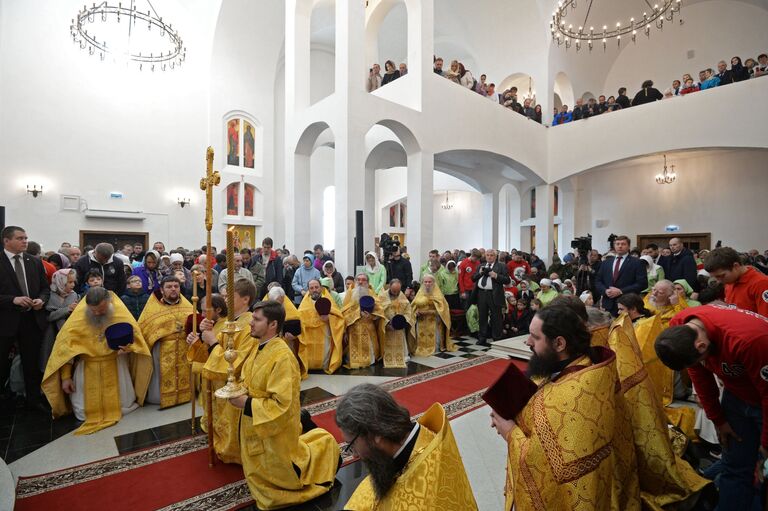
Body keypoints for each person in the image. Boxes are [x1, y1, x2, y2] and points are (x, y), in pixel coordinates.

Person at [490, 305, 640, 510]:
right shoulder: (584, 365)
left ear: (559, 343)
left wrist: (510, 432)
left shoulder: (574, 395)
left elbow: (547, 467)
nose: (527, 342)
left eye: (535, 337)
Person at [228, 301, 340, 509]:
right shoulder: (258, 347)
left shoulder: (282, 357)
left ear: (273, 325)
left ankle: (323, 452)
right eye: (252, 318)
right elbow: (249, 379)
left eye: (256, 319)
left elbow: (282, 405)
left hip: (275, 433)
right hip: (256, 425)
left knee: (279, 485)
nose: (250, 324)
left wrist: (245, 402)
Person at [656, 305, 768, 510]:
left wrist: (765, 444)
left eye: (701, 359)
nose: (704, 364)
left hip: (763, 397)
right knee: (735, 466)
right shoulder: (679, 329)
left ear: (700, 347)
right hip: (737, 395)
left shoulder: (748, 340)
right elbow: (699, 374)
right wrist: (718, 419)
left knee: (764, 473)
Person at [337, 384, 477, 510]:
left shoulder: (427, 491)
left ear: (375, 434)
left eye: (352, 445)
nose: (354, 455)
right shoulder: (406, 442)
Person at [42, 287, 152, 434]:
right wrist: (66, 377)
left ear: (109, 302)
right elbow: (66, 351)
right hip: (87, 367)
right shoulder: (78, 319)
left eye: (101, 310)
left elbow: (136, 340)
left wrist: (129, 348)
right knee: (84, 412)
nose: (97, 313)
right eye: (93, 310)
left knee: (122, 405)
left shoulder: (119, 312)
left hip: (116, 364)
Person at [188, 279, 255, 464]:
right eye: (224, 296)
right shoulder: (230, 323)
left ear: (245, 299)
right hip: (220, 386)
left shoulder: (249, 324)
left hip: (235, 386)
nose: (225, 301)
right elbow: (209, 355)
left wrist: (213, 342)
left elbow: (237, 363)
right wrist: (200, 340)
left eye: (229, 297)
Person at [0, 226, 50, 410]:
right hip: (6, 321)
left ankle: (33, 400)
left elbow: (45, 288)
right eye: (20, 238)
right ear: (6, 240)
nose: (25, 241)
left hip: (31, 319)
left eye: (26, 237)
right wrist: (13, 299)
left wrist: (41, 300)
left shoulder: (34, 262)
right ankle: (4, 397)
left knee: (31, 362)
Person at [138, 276, 194, 408]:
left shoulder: (188, 306)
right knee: (160, 376)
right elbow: (145, 330)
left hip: (183, 348)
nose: (173, 289)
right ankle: (160, 397)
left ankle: (185, 395)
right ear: (162, 290)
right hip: (162, 349)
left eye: (176, 286)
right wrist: (168, 329)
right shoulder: (153, 307)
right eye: (169, 287)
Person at [296, 279, 345, 375]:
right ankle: (309, 366)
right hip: (309, 338)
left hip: (324, 336)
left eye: (316, 287)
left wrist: (329, 319)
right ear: (308, 290)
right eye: (312, 288)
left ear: (321, 288)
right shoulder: (304, 305)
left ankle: (325, 365)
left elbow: (339, 318)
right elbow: (299, 321)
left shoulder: (329, 301)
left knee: (325, 355)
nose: (314, 290)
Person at [705, 247, 768, 316]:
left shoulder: (762, 284)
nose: (718, 281)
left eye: (721, 276)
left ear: (736, 266)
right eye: (715, 277)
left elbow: (765, 321)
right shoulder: (730, 281)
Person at [595, 235, 648, 316]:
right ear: (614, 246)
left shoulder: (637, 262)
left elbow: (642, 283)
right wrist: (605, 291)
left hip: (628, 305)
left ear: (628, 246)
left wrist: (620, 291)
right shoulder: (606, 262)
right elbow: (598, 281)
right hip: (609, 303)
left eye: (623, 244)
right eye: (617, 244)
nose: (620, 246)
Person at [341, 274, 385, 368]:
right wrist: (357, 314)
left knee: (369, 354)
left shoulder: (371, 293)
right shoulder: (350, 293)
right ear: (355, 281)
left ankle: (370, 360)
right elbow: (344, 311)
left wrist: (372, 316)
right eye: (358, 280)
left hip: (368, 327)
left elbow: (380, 310)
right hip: (353, 328)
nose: (361, 282)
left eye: (363, 280)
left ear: (368, 282)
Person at [41, 269, 79, 371]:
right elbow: (49, 316)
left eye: (74, 282)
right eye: (70, 282)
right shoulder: (50, 295)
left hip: (68, 333)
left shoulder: (73, 295)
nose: (73, 285)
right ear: (60, 281)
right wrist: (68, 309)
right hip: (51, 334)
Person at [471, 249, 510, 345]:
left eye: (491, 255)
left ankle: (497, 338)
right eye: (487, 255)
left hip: (494, 294)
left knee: (496, 317)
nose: (489, 257)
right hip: (481, 294)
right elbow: (473, 278)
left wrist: (496, 275)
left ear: (495, 256)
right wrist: (480, 273)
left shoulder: (501, 266)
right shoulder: (481, 265)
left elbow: (507, 280)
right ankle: (482, 337)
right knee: (482, 316)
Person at [412, 275, 454, 357]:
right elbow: (413, 306)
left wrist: (429, 312)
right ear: (423, 283)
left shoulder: (438, 295)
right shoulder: (420, 293)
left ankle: (435, 347)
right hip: (421, 320)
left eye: (429, 282)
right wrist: (416, 312)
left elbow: (443, 311)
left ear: (433, 283)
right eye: (425, 282)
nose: (427, 284)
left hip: (434, 319)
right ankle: (420, 346)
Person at [378, 279, 415, 367]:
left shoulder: (402, 296)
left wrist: (402, 322)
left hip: (399, 327)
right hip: (387, 326)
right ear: (389, 287)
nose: (396, 293)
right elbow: (379, 311)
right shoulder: (382, 296)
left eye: (398, 291)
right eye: (394, 290)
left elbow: (408, 311)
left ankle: (402, 355)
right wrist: (387, 323)